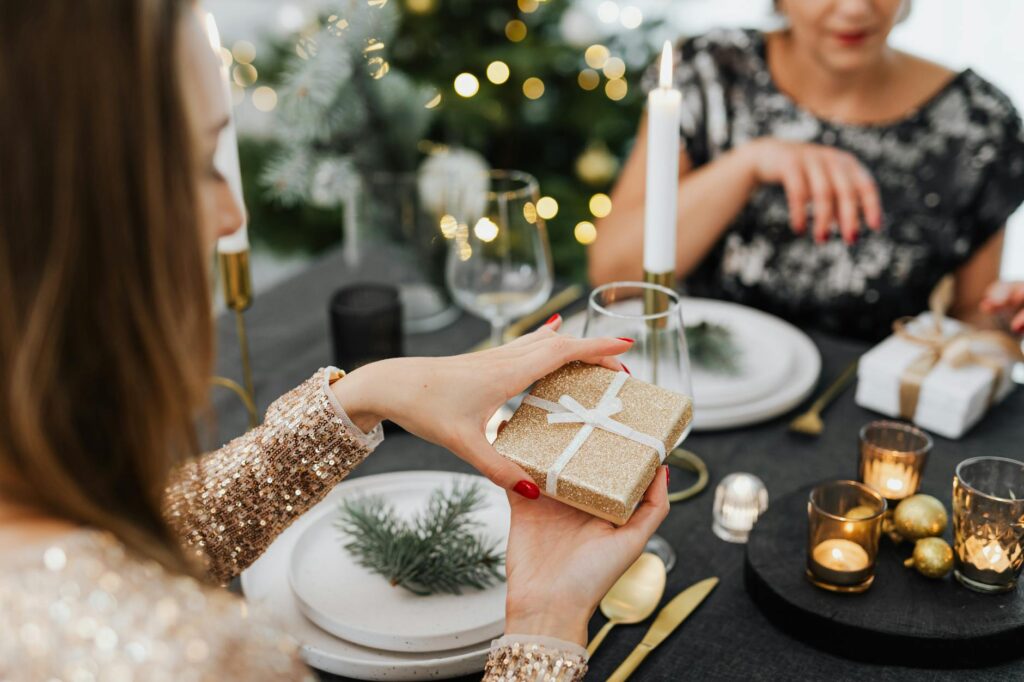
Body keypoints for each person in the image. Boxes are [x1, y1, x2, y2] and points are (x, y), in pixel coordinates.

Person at [0, 2, 669, 679]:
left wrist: (367, 395)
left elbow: (136, 547)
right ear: (79, 209)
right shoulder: (187, 657)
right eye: (203, 163)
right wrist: (544, 626)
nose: (232, 214)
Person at [589, 0, 1024, 340]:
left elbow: (972, 318)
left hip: (863, 417)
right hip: (702, 385)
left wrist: (1003, 325)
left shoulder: (979, 122)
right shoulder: (713, 70)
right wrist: (748, 164)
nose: (855, 9)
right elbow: (612, 272)